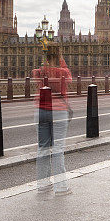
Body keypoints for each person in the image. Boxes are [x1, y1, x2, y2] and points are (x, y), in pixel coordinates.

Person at [32, 43, 73, 195]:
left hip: (41, 109)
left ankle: (43, 185)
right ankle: (61, 187)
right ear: (59, 55)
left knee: (42, 148)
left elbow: (37, 75)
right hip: (58, 111)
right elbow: (68, 79)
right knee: (57, 149)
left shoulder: (39, 71)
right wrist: (60, 60)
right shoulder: (63, 71)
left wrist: (46, 62)